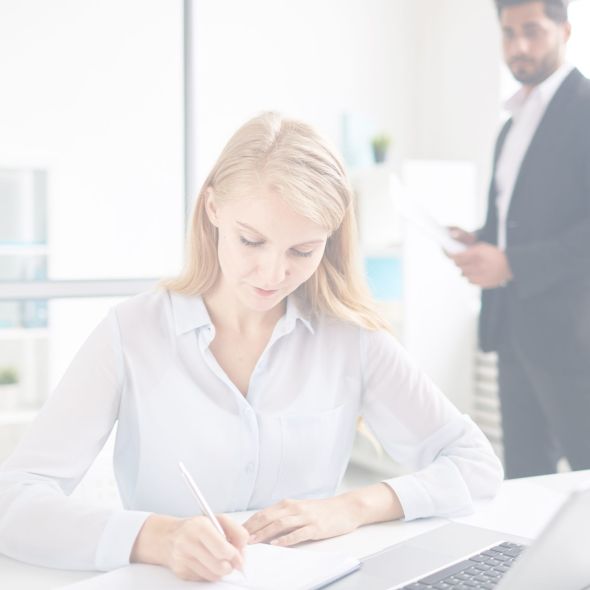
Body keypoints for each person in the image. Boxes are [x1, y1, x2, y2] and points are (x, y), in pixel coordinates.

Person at [0, 113, 502, 582]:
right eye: (251, 241)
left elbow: (476, 465)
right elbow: (14, 501)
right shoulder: (131, 331)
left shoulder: (352, 339)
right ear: (214, 208)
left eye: (302, 251)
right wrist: (156, 537)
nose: (273, 274)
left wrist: (353, 506)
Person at [450, 0, 590, 479]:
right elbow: (515, 221)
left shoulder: (585, 108)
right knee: (526, 480)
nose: (519, 46)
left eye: (532, 30)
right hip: (513, 330)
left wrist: (511, 263)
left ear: (565, 30)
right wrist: (479, 240)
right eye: (509, 34)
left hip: (573, 337)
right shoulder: (510, 126)